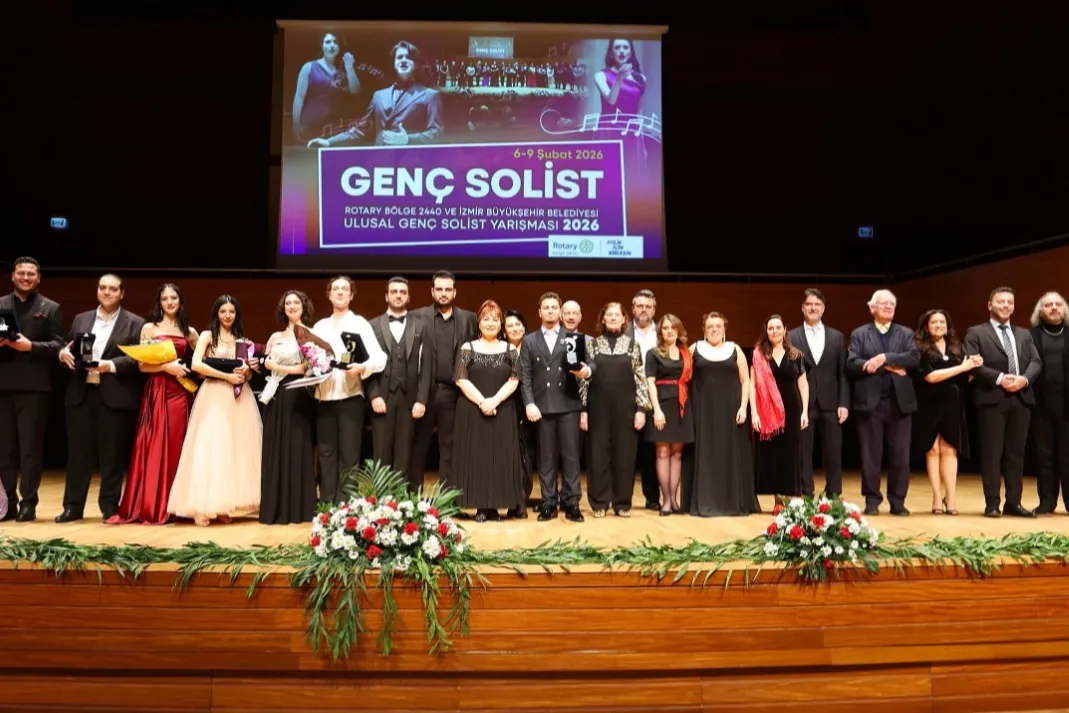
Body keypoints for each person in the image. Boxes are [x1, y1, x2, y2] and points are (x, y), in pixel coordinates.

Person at [55, 274, 145, 523]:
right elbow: (69, 347)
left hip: (114, 396)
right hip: (81, 394)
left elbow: (137, 359)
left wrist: (110, 365)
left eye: (113, 289)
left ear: (122, 293)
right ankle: (73, 507)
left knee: (112, 456)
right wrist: (63, 354)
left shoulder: (135, 323)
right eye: (103, 288)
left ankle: (109, 507)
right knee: (78, 455)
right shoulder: (81, 318)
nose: (107, 292)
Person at [107, 283, 199, 525]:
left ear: (180, 301)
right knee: (155, 444)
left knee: (179, 445)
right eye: (164, 299)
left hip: (181, 393)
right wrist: (166, 367)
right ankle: (153, 504)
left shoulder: (190, 332)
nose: (169, 302)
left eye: (173, 298)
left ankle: (180, 506)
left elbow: (200, 362)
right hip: (157, 391)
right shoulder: (149, 328)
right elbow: (142, 366)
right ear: (159, 302)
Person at [168, 295, 262, 526]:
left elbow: (247, 372)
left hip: (238, 396)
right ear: (217, 314)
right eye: (223, 311)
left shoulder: (242, 340)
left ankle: (223, 505)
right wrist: (226, 376)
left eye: (231, 311)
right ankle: (199, 507)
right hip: (214, 394)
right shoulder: (207, 336)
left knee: (233, 449)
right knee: (209, 447)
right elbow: (196, 364)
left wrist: (246, 372)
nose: (227, 316)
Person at [963, 287, 1041, 518]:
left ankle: (1013, 503)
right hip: (991, 399)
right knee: (991, 453)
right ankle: (992, 503)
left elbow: (1036, 362)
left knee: (1016, 454)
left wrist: (1024, 379)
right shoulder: (976, 332)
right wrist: (999, 378)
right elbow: (972, 363)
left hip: (1021, 398)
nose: (1006, 305)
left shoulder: (1024, 334)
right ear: (990, 305)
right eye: (1001, 301)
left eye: (1009, 302)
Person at [311, 276, 385, 503]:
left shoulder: (360, 324)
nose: (340, 292)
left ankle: (346, 504)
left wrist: (363, 367)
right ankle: (327, 502)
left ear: (351, 295)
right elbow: (310, 357)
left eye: (345, 289)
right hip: (324, 397)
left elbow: (380, 358)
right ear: (329, 294)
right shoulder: (320, 326)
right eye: (336, 289)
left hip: (350, 397)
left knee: (349, 453)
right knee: (326, 453)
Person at [0, 256, 64, 522]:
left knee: (30, 450)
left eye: (31, 274)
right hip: (2, 386)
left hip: (35, 387)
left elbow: (60, 346)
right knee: (4, 450)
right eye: (21, 273)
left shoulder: (50, 307)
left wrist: (31, 347)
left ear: (38, 278)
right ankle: (7, 503)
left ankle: (28, 502)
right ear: (13, 276)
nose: (25, 278)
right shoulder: (0, 305)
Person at [520, 292, 592, 522]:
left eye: (554, 307)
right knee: (546, 458)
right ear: (539, 312)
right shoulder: (530, 340)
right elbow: (526, 376)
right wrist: (529, 403)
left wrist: (587, 371)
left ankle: (572, 503)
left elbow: (589, 363)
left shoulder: (572, 338)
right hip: (542, 407)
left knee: (571, 457)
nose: (550, 311)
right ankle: (549, 502)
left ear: (559, 312)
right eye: (546, 308)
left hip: (568, 404)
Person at [452, 300, 525, 521]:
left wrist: (494, 401)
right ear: (479, 322)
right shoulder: (468, 348)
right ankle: (481, 507)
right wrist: (483, 402)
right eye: (486, 319)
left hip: (502, 410)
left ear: (501, 324)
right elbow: (461, 379)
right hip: (472, 410)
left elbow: (514, 380)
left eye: (495, 319)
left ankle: (495, 506)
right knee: (477, 458)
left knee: (500, 457)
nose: (490, 323)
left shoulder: (510, 349)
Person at [409, 271, 478, 489]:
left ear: (454, 292)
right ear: (432, 291)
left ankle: (448, 499)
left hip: (453, 393)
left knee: (450, 448)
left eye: (448, 289)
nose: (443, 293)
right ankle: (413, 498)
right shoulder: (416, 317)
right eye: (439, 289)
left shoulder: (469, 319)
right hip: (424, 393)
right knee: (418, 447)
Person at [581, 302, 649, 517]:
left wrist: (641, 409)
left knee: (624, 456)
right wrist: (583, 409)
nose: (612, 318)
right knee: (598, 455)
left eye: (616, 315)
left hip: (626, 408)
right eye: (608, 314)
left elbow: (641, 378)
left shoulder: (632, 346)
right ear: (603, 319)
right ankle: (599, 503)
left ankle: (622, 503)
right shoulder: (592, 346)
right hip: (597, 408)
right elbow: (583, 381)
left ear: (623, 319)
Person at [368, 277, 429, 487]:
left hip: (410, 399)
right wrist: (374, 395)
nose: (398, 295)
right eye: (394, 292)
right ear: (386, 296)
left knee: (405, 452)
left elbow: (427, 366)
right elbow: (366, 364)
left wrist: (422, 399)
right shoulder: (372, 325)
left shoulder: (421, 326)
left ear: (408, 297)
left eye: (403, 292)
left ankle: (400, 500)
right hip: (382, 397)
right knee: (381, 451)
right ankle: (381, 499)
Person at [789, 288, 850, 498]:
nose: (813, 308)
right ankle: (806, 493)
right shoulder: (791, 336)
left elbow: (843, 373)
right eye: (809, 304)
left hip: (831, 402)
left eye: (817, 305)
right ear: (802, 308)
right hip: (803, 403)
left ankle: (833, 494)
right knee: (803, 451)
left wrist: (844, 402)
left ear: (823, 308)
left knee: (833, 451)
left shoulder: (837, 337)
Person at [751, 315, 809, 501]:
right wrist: (754, 413)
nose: (774, 331)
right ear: (766, 331)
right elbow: (752, 385)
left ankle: (791, 496)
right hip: (767, 413)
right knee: (772, 454)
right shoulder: (760, 355)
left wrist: (805, 412)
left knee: (790, 454)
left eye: (778, 327)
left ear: (785, 330)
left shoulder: (796, 355)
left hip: (792, 410)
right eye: (770, 328)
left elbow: (803, 385)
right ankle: (778, 499)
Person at [644, 313, 694, 515]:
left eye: (673, 327)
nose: (669, 331)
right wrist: (656, 409)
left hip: (682, 405)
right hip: (662, 405)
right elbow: (650, 382)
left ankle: (673, 499)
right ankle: (665, 499)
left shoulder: (686, 354)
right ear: (660, 332)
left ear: (679, 330)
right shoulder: (653, 353)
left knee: (677, 454)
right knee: (663, 452)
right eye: (665, 328)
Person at [1030, 291, 1069, 514]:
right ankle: (1047, 502)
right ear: (1041, 311)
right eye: (1048, 305)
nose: (1054, 308)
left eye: (1058, 304)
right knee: (1044, 456)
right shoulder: (1030, 336)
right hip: (1040, 405)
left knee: (1067, 456)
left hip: (1067, 405)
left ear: (1064, 309)